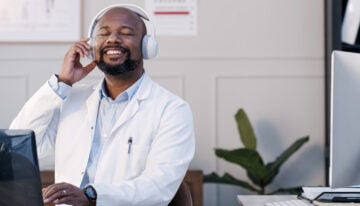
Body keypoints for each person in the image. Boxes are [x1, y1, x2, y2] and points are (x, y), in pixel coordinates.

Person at [10, 4, 195, 206]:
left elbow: (159, 186)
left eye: (126, 33)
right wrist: (63, 82)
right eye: (104, 33)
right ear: (91, 45)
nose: (113, 39)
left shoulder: (172, 110)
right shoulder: (72, 99)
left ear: (146, 46)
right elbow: (20, 148)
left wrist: (91, 195)